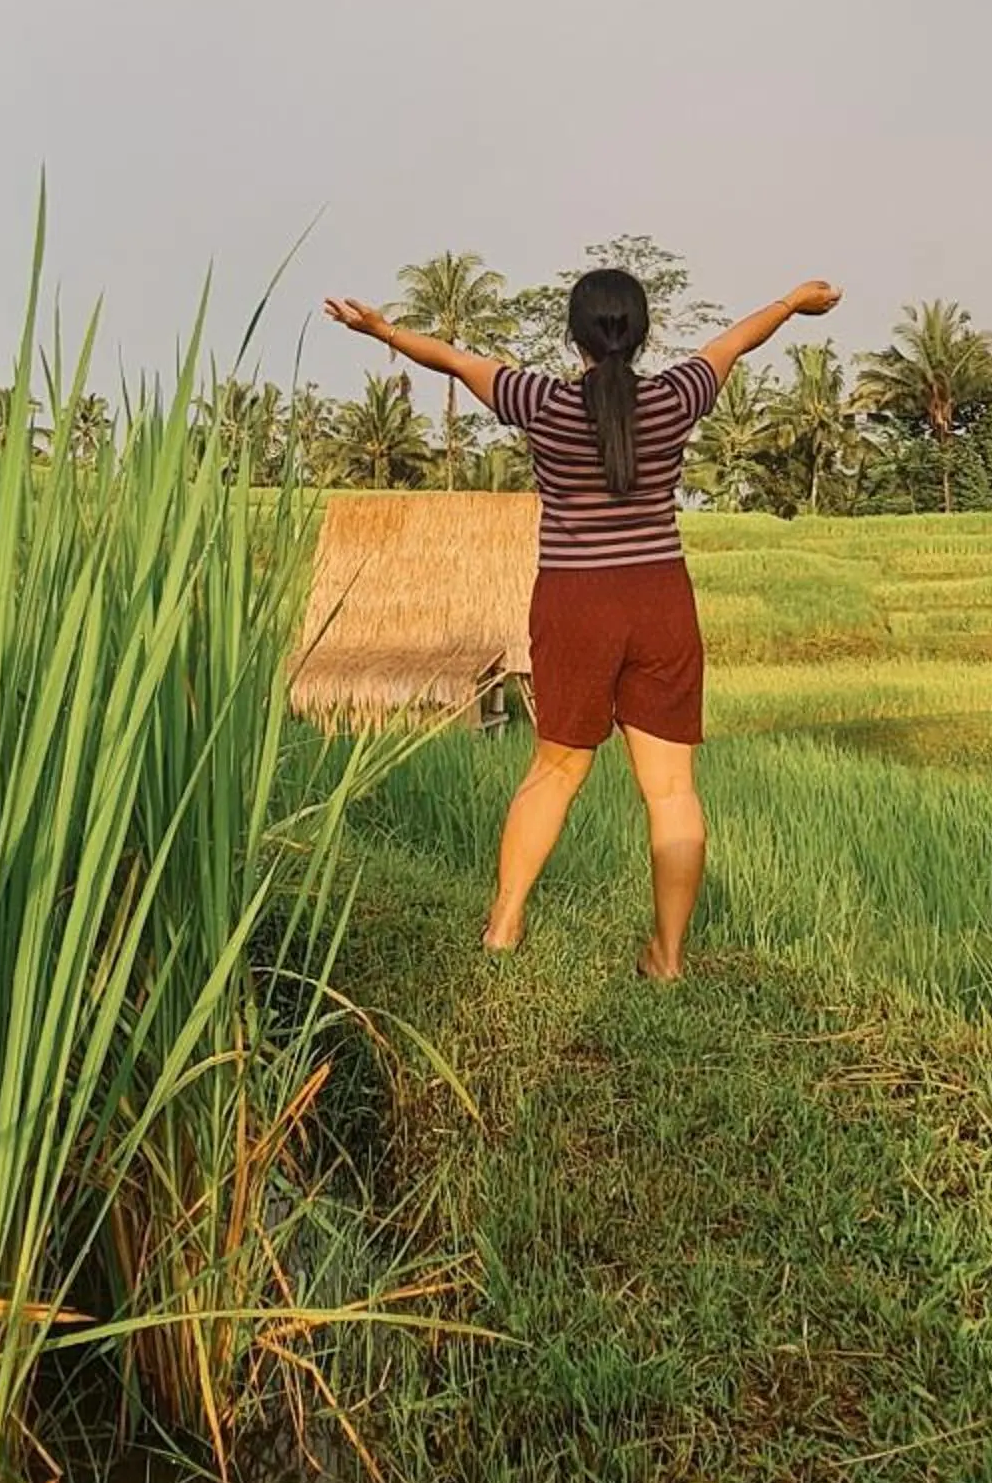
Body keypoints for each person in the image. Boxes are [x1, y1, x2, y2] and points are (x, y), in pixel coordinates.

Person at [323, 264, 841, 978]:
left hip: (575, 602)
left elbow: (450, 358)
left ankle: (504, 926)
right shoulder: (676, 397)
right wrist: (791, 301)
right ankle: (668, 957)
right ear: (642, 331)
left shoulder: (539, 401)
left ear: (575, 335)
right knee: (670, 790)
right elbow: (732, 344)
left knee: (555, 770)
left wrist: (380, 330)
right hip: (660, 601)